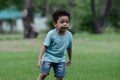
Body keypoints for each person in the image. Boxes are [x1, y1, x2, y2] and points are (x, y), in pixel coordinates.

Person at [37, 9, 73, 80]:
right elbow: (45, 46)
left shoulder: (69, 35)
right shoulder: (51, 34)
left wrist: (70, 59)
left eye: (67, 22)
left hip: (60, 60)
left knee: (60, 78)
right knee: (44, 73)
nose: (65, 24)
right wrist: (40, 58)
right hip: (48, 57)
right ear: (55, 24)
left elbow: (69, 48)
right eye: (62, 22)